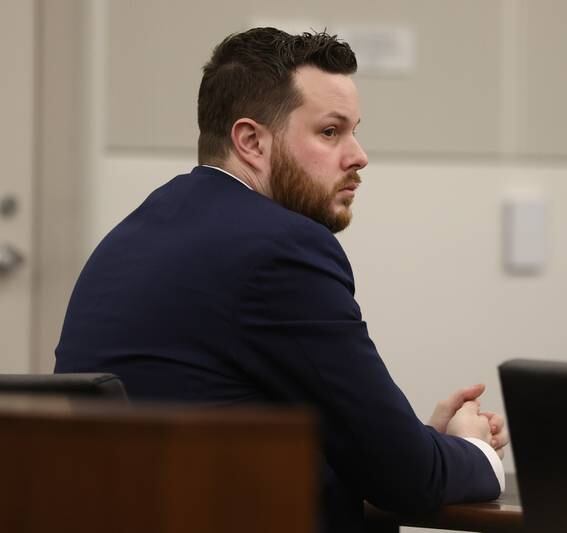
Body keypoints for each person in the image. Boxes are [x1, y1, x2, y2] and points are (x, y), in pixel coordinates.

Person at [55, 27, 509, 532]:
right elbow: (409, 479)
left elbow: (359, 454)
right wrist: (472, 450)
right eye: (330, 132)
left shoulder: (130, 237)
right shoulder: (281, 249)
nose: (358, 155)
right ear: (251, 141)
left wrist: (418, 442)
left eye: (355, 130)